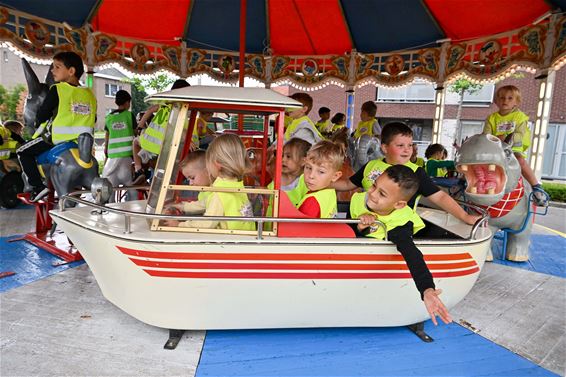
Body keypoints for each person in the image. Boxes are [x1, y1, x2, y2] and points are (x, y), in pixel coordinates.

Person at [351, 165, 452, 326]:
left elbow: (413, 255)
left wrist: (427, 289)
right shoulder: (358, 199)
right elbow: (349, 232)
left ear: (399, 205)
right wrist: (360, 227)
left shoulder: (399, 226)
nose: (372, 193)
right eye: (374, 185)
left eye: (382, 194)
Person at [333, 122, 480, 226]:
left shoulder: (416, 172)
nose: (407, 150)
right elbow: (348, 184)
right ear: (384, 148)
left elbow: (440, 196)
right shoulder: (371, 165)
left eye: (410, 145)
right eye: (400, 145)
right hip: (364, 221)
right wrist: (325, 183)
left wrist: (465, 216)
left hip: (395, 227)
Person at [17, 51, 96, 202]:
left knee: (22, 151)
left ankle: (37, 187)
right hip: (82, 144)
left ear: (71, 71)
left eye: (57, 67)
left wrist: (39, 120)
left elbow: (42, 114)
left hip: (57, 141)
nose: (53, 70)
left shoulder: (58, 89)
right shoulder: (89, 94)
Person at [165, 133, 255, 230]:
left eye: (208, 162)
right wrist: (183, 207)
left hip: (229, 242)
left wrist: (179, 225)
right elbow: (206, 203)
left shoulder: (220, 194)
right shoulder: (235, 185)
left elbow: (207, 224)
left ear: (217, 164)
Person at [483, 85, 548, 206]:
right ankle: (464, 182)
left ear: (516, 102)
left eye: (509, 98)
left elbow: (520, 134)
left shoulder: (519, 117)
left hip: (513, 148)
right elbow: (485, 135)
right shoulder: (491, 118)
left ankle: (536, 187)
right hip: (495, 149)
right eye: (501, 98)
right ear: (496, 101)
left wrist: (506, 137)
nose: (505, 101)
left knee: (520, 160)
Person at [133, 79, 192, 178]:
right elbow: (179, 128)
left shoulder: (164, 104)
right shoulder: (180, 109)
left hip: (147, 142)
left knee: (135, 142)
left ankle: (138, 169)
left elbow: (150, 110)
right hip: (162, 147)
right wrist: (189, 140)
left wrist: (139, 127)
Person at [102, 90, 136, 201]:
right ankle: (135, 204)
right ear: (127, 102)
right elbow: (135, 132)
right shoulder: (129, 115)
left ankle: (111, 207)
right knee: (130, 185)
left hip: (112, 155)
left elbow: (107, 135)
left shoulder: (109, 117)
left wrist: (106, 150)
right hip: (128, 155)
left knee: (111, 187)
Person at [296, 140, 344, 218]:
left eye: (321, 172)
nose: (311, 175)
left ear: (335, 176)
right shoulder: (330, 192)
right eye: (308, 167)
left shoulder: (312, 202)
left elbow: (299, 229)